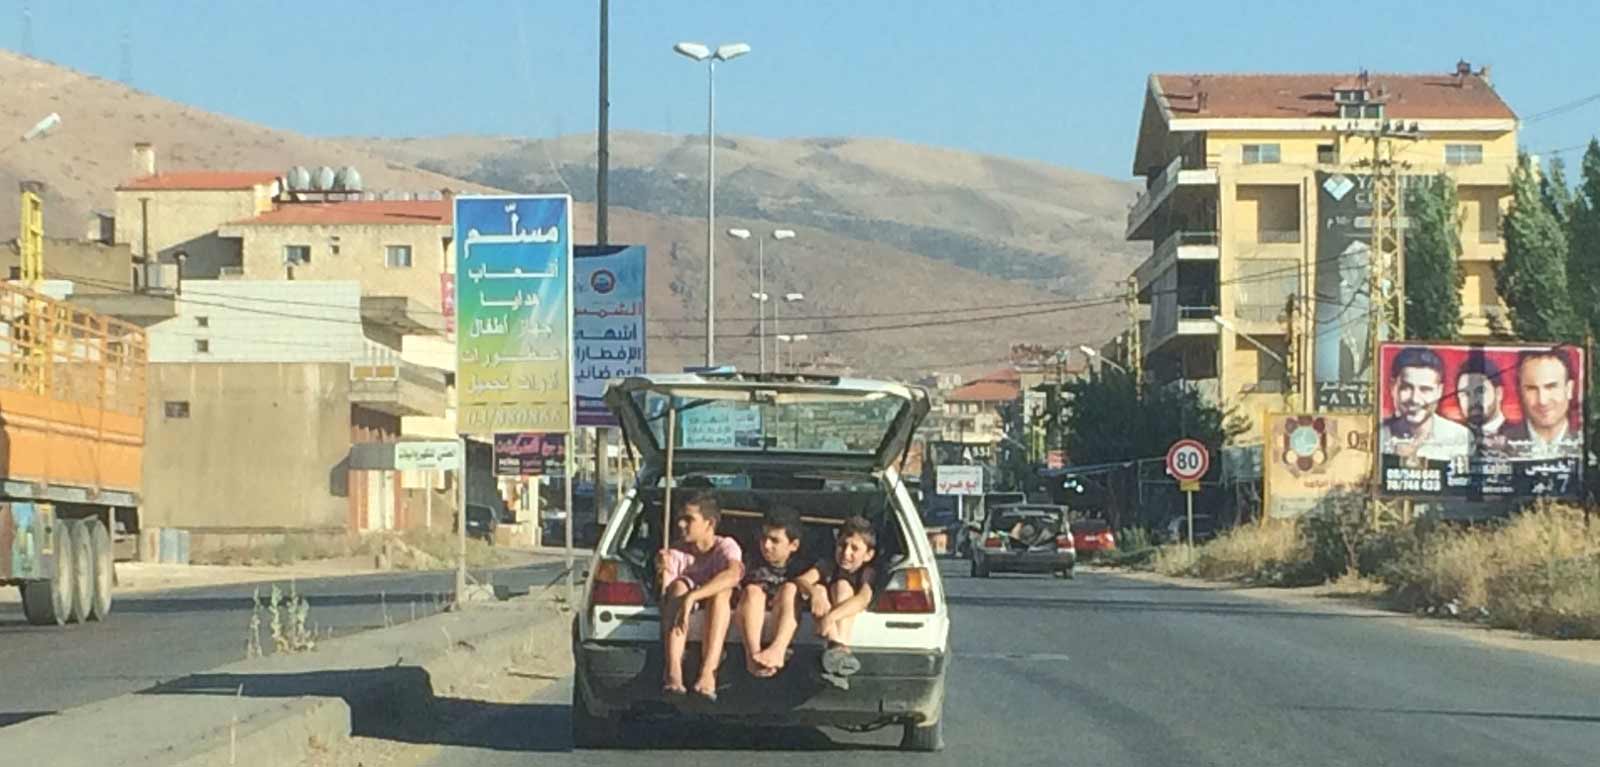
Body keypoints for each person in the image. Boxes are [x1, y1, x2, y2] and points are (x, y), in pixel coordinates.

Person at [656, 490, 743, 700]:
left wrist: (693, 598)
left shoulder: (725, 546)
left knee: (721, 594)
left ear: (709, 523)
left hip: (716, 608)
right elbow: (666, 595)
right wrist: (661, 572)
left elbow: (733, 574)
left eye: (689, 520)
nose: (681, 525)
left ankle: (708, 672)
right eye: (680, 519)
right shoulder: (675, 553)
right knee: (678, 588)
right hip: (681, 610)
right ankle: (673, 672)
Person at [792, 516, 878, 690]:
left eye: (854, 548)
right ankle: (839, 651)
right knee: (822, 590)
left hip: (836, 616)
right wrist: (814, 593)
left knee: (842, 586)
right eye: (842, 545)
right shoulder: (828, 565)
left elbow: (863, 599)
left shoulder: (867, 572)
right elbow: (802, 580)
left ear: (868, 555)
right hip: (825, 617)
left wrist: (830, 617)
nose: (846, 553)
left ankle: (836, 648)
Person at [737, 507, 809, 678]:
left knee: (790, 589)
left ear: (794, 545)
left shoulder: (802, 567)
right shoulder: (749, 561)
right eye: (764, 538)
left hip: (787, 614)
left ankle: (778, 649)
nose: (766, 546)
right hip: (752, 614)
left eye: (775, 541)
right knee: (752, 591)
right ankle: (753, 656)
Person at [1381, 346, 1472, 462]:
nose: (1415, 399)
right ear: (1393, 387)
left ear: (1439, 391)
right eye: (1406, 388)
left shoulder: (1460, 438)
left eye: (1425, 390)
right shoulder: (1377, 436)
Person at [1502, 349, 1583, 459]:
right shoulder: (1498, 445)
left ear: (1569, 389)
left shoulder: (1589, 445)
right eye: (1532, 389)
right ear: (1520, 392)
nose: (1542, 401)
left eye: (1551, 387)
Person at [1454, 356, 1509, 453]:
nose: (1473, 400)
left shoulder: (1522, 434)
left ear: (1499, 393)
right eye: (1465, 394)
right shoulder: (1453, 437)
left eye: (1480, 391)